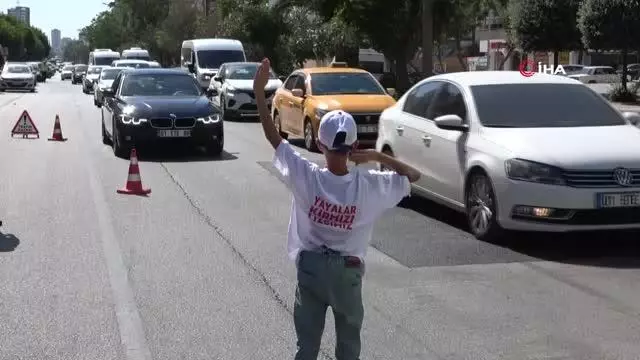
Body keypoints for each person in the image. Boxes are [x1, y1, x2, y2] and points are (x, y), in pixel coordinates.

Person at [253, 58, 420, 360]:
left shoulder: (307, 176)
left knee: (307, 346)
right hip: (348, 273)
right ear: (354, 146)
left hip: (312, 268)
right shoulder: (370, 186)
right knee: (348, 347)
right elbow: (412, 177)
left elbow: (272, 136)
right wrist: (372, 156)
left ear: (320, 143)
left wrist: (258, 91)